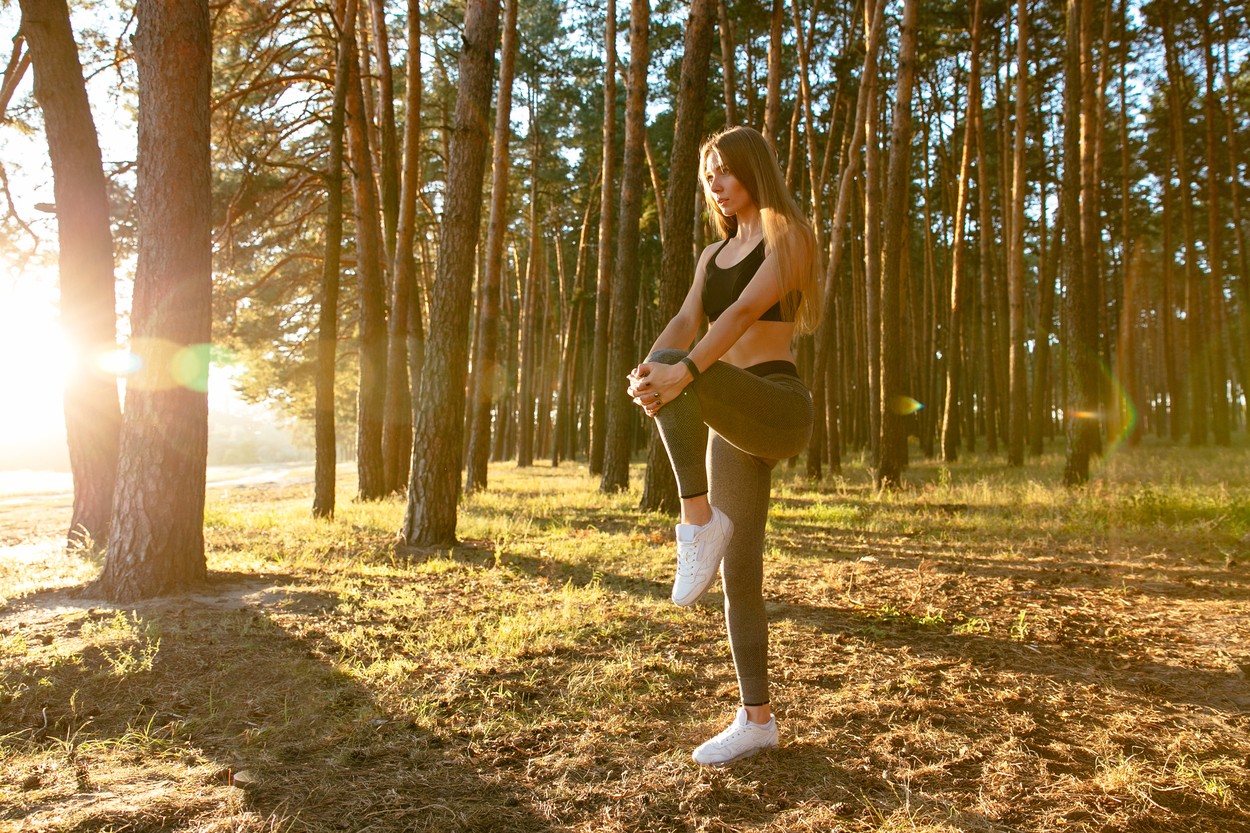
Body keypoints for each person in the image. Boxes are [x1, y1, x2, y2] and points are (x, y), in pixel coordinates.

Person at [625, 125, 822, 766]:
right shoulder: (712, 257)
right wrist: (650, 368)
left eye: (726, 170)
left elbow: (737, 318)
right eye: (709, 173)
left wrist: (682, 372)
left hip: (776, 404)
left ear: (754, 171)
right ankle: (756, 719)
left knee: (686, 375)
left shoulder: (791, 238)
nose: (716, 183)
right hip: (727, 419)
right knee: (740, 577)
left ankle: (694, 521)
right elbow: (688, 322)